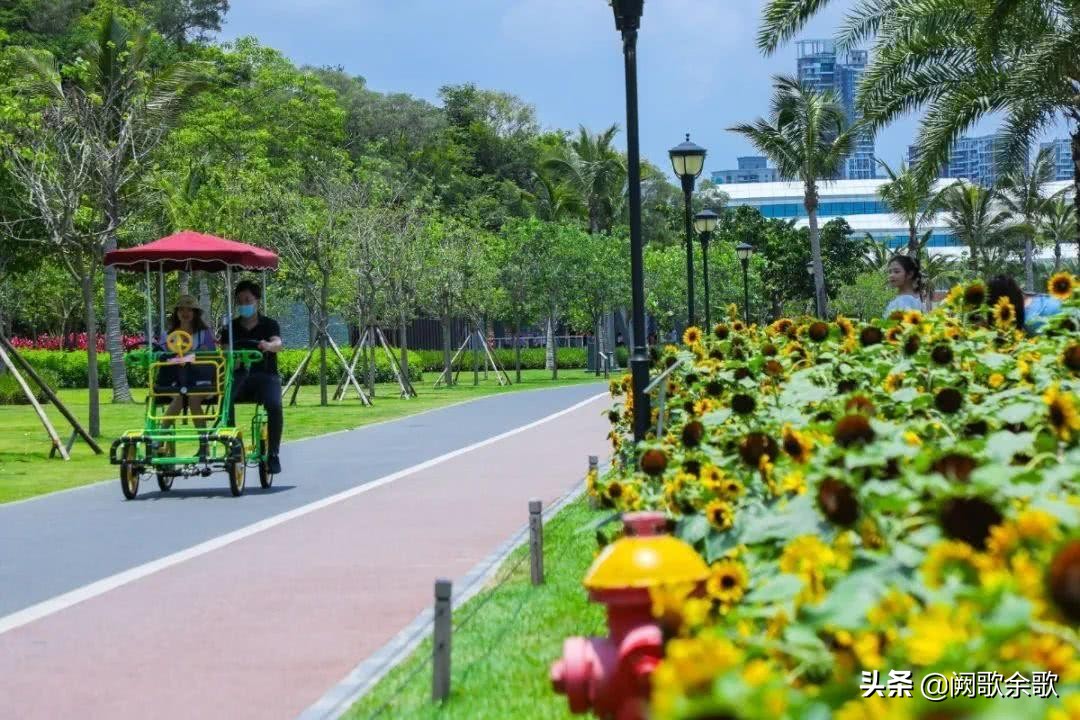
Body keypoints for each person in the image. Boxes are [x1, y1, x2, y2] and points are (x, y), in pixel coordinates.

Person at [222, 280, 284, 474]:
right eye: (240, 301)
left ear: (257, 301)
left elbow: (278, 343)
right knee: (225, 401)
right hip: (240, 376)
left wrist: (268, 346)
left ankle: (273, 453)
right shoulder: (229, 328)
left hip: (265, 376)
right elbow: (224, 351)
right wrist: (233, 358)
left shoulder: (269, 324)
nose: (244, 305)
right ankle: (232, 445)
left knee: (274, 405)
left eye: (248, 300)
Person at [161, 295, 216, 427]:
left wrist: (197, 355)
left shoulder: (204, 333)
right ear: (177, 313)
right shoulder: (168, 335)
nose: (185, 313)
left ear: (195, 313)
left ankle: (204, 444)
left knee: (194, 398)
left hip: (201, 379)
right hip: (176, 379)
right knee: (180, 398)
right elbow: (161, 357)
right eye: (181, 310)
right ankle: (160, 438)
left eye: (189, 310)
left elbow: (212, 357)